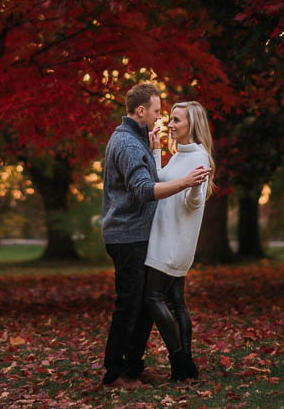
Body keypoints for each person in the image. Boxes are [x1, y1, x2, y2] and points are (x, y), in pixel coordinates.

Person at [100, 84, 210, 386]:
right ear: (141, 112)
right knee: (131, 306)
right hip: (128, 235)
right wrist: (186, 181)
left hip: (142, 235)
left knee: (145, 304)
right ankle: (115, 372)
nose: (162, 119)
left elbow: (170, 185)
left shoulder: (134, 141)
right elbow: (145, 189)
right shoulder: (129, 145)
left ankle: (133, 366)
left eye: (172, 117)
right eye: (159, 112)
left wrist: (157, 154)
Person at [143, 101, 216, 381]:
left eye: (176, 120)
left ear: (191, 125)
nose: (170, 125)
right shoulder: (179, 155)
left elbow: (193, 202)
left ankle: (180, 360)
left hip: (172, 243)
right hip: (167, 237)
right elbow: (160, 180)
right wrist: (156, 151)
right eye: (170, 120)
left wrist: (191, 185)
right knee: (176, 301)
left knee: (152, 298)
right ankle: (185, 366)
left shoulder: (199, 157)